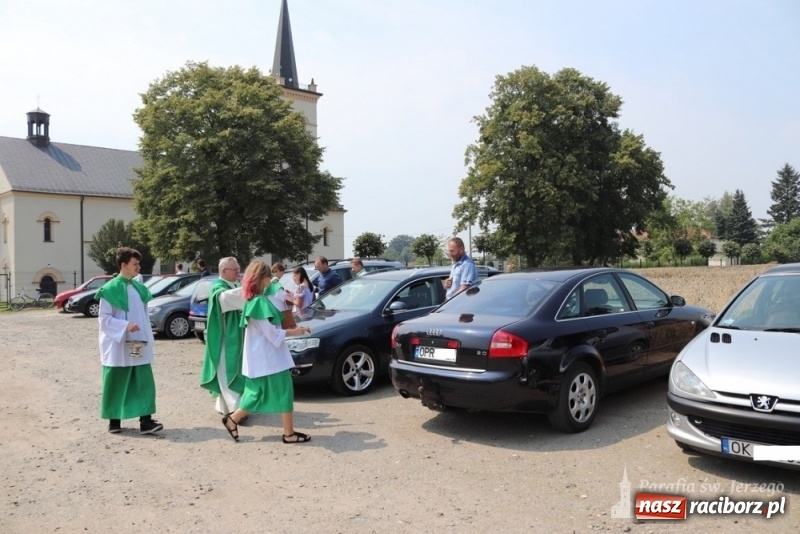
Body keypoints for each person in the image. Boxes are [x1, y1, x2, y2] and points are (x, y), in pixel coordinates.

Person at [220, 260, 312, 444]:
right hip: (267, 357)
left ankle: (233, 420)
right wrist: (296, 331)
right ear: (261, 279)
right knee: (279, 391)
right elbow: (270, 333)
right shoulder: (258, 302)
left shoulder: (255, 300)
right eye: (269, 275)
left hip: (263, 357)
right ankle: (288, 433)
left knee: (256, 393)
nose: (272, 278)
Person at [95, 247, 163, 435]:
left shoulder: (139, 288)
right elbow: (104, 319)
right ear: (123, 265)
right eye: (135, 264)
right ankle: (114, 420)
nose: (138, 267)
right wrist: (125, 325)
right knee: (116, 380)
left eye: (138, 264)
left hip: (137, 342)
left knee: (143, 380)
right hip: (117, 344)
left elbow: (142, 315)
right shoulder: (109, 290)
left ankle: (146, 421)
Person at [200, 257, 245, 416]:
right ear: (224, 271)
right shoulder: (218, 286)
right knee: (227, 370)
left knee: (233, 370)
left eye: (239, 269)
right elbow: (225, 299)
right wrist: (249, 289)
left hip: (237, 335)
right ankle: (235, 410)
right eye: (235, 270)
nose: (238, 273)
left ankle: (224, 406)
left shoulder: (235, 284)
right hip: (225, 337)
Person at [267, 263, 296, 329]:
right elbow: (281, 295)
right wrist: (291, 296)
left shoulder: (270, 282)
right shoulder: (275, 282)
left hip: (272, 309)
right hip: (278, 311)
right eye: (282, 272)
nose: (282, 275)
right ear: (277, 271)